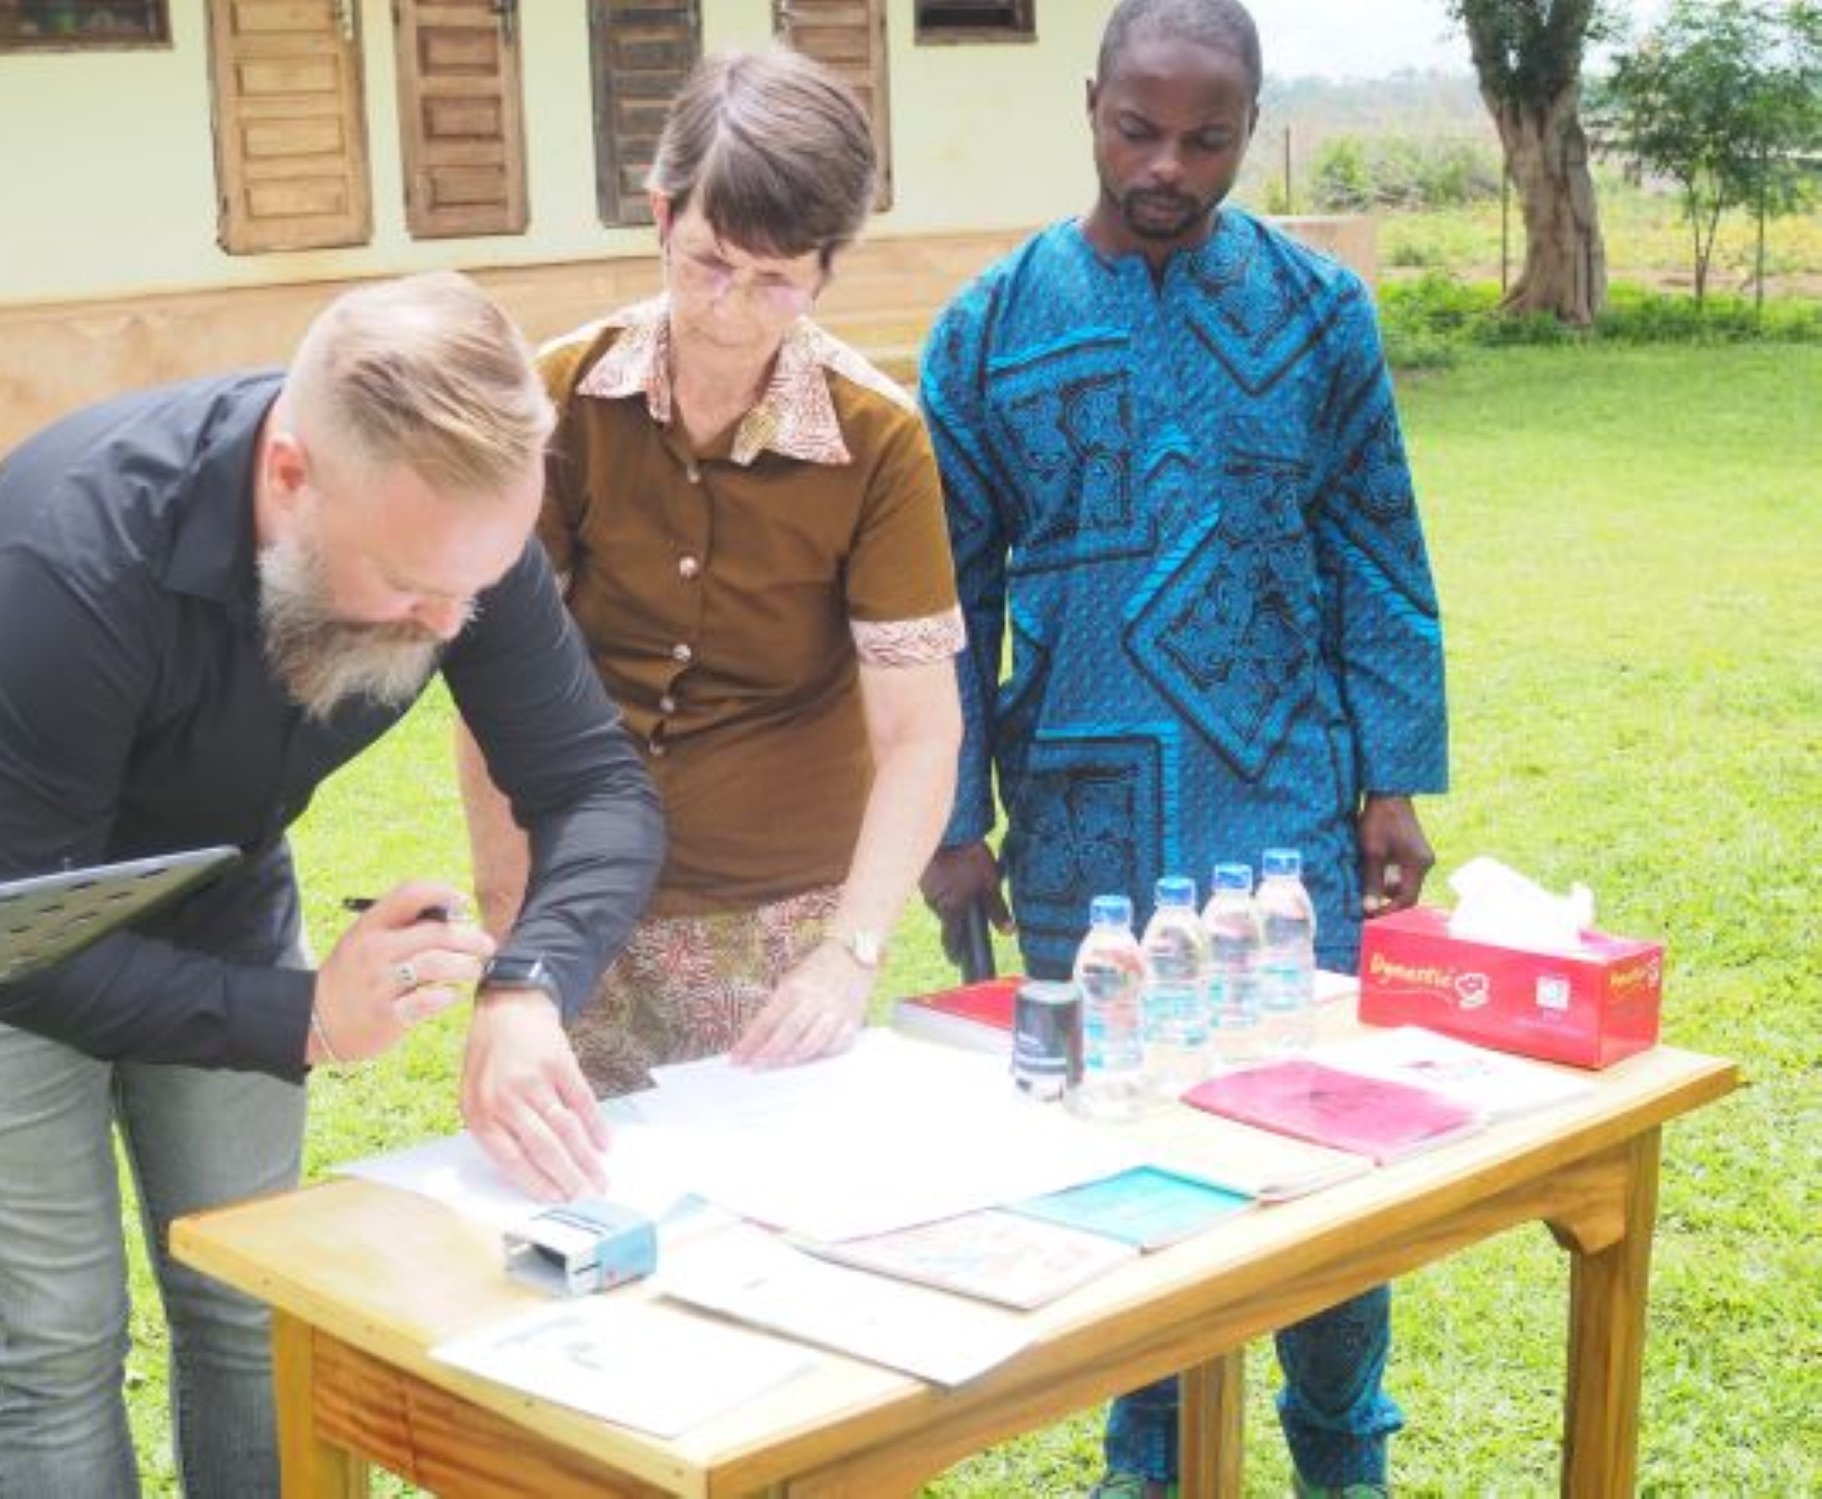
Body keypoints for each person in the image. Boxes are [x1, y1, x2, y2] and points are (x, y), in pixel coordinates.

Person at [0, 271, 664, 1495]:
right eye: (406, 585)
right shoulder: (72, 548)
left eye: (471, 589)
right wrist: (310, 1018)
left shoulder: (447, 543)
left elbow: (598, 786)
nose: (448, 625)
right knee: (58, 1340)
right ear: (290, 471)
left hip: (210, 883)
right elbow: (16, 932)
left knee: (249, 1296)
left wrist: (527, 986)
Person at [916, 2, 1448, 1496]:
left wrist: (1388, 776)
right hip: (1081, 826)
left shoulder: (1317, 309)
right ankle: (1147, 1462)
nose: (1167, 164)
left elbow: (1377, 545)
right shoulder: (989, 324)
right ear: (1090, 106)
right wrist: (953, 814)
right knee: (1119, 1160)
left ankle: (1344, 1457)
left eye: (1205, 138)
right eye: (1138, 128)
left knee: (1321, 1165)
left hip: (1283, 812)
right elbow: (946, 601)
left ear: (1250, 126)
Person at [457, 48, 964, 1196]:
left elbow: (919, 732)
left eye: (776, 280)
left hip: (774, 923)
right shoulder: (562, 404)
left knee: (766, 1226)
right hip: (572, 898)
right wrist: (512, 922)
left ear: (830, 268)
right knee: (567, 1216)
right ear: (659, 215)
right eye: (708, 263)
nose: (731, 309)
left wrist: (849, 952)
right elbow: (491, 689)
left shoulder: (877, 441)